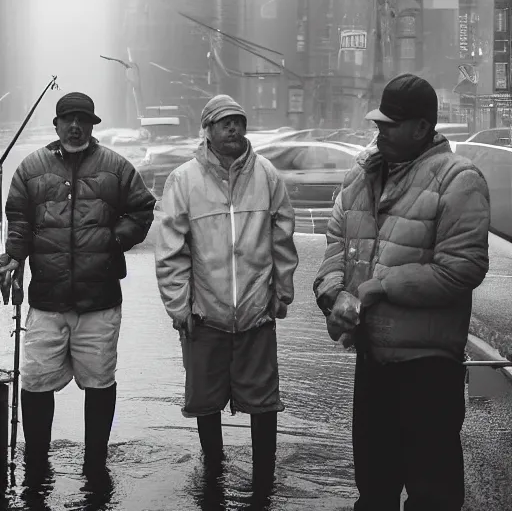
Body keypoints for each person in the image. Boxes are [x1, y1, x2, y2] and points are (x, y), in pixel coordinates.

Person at [313, 74, 490, 511]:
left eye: (390, 125)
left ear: (421, 127)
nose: (380, 133)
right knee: (374, 490)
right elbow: (336, 247)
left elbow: (463, 269)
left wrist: (378, 287)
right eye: (378, 124)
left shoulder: (459, 180)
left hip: (428, 369)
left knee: (433, 494)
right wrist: (334, 297)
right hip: (373, 361)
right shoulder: (363, 174)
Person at [0, 92, 156, 489]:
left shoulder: (117, 167)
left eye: (82, 120)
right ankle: (37, 463)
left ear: (92, 125)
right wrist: (14, 256)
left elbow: (142, 209)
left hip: (100, 301)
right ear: (56, 125)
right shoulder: (30, 169)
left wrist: (113, 240)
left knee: (100, 382)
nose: (74, 126)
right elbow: (17, 215)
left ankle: (95, 465)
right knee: (35, 382)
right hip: (46, 300)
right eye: (67, 119)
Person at [155, 94, 298, 493]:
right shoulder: (184, 180)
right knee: (205, 399)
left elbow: (282, 238)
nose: (233, 128)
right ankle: (213, 469)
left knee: (264, 400)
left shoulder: (267, 175)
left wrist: (281, 292)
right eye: (224, 123)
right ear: (208, 130)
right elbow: (171, 251)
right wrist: (179, 305)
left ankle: (263, 482)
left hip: (256, 312)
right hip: (205, 313)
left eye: (239, 121)